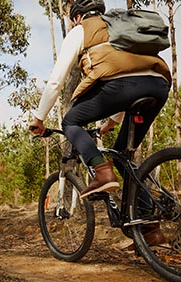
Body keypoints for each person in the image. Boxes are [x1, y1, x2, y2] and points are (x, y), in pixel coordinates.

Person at [29, 0, 171, 200]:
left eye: (72, 21)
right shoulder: (121, 27)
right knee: (122, 156)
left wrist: (39, 117)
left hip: (122, 87)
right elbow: (128, 70)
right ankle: (148, 225)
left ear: (78, 17)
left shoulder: (81, 30)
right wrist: (113, 121)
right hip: (159, 85)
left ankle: (102, 171)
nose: (73, 24)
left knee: (70, 121)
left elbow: (56, 81)